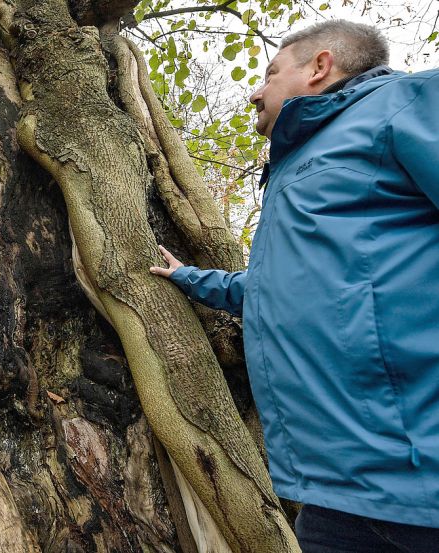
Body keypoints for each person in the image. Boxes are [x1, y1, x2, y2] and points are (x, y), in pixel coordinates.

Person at [149, 20, 439, 553]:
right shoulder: (295, 164)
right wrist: (188, 278)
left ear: (319, 67)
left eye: (270, 73)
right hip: (332, 495)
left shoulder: (407, 102)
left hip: (419, 485)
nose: (255, 91)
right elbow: (278, 289)